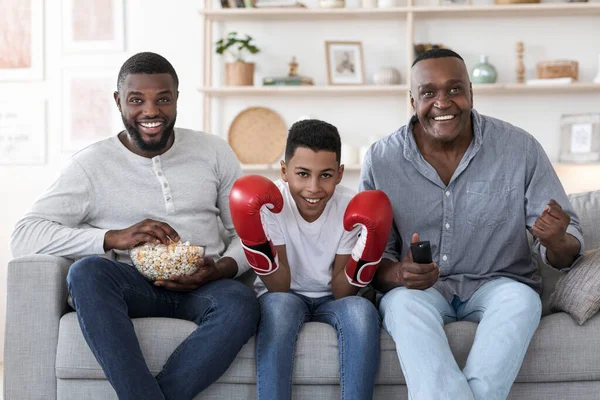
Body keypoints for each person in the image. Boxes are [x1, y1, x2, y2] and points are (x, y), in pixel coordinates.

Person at [10, 52, 260, 400]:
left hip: (204, 285)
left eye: (163, 99)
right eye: (136, 100)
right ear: (118, 101)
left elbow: (246, 235)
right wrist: (114, 237)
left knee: (242, 302)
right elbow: (24, 235)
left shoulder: (213, 152)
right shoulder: (91, 165)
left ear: (176, 99)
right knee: (86, 273)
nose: (151, 111)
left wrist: (219, 269)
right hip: (132, 286)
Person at [360, 48, 584, 400]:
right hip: (422, 293)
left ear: (471, 93)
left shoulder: (519, 148)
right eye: (428, 93)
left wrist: (557, 240)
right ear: (412, 100)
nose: (442, 102)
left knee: (523, 301)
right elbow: (371, 257)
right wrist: (399, 274)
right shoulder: (381, 159)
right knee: (401, 305)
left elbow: (568, 249)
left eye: (454, 89)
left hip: (500, 286)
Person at [228, 119, 393, 400]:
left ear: (340, 174)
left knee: (362, 312)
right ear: (284, 170)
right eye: (302, 174)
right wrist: (254, 238)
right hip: (284, 293)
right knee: (279, 307)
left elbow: (342, 291)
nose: (313, 188)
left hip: (333, 297)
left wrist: (368, 251)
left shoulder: (349, 207)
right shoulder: (270, 204)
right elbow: (279, 286)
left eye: (326, 175)